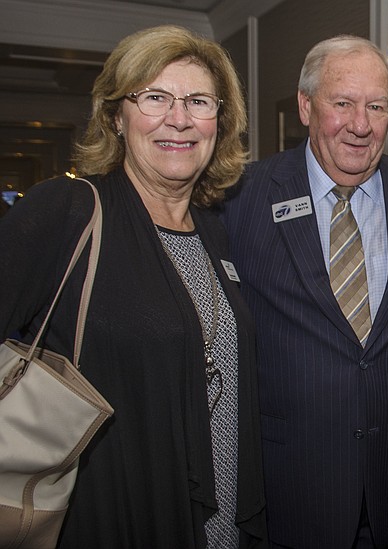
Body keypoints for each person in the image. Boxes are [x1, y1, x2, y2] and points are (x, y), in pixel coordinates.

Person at [0, 25, 266, 547]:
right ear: (116, 117)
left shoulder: (214, 230)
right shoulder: (67, 211)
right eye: (155, 97)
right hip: (111, 511)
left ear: (219, 122)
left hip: (219, 513)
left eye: (198, 101)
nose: (179, 118)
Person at [220, 35, 388, 548]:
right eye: (342, 103)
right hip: (287, 492)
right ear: (306, 106)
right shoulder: (239, 199)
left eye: (376, 106)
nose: (360, 125)